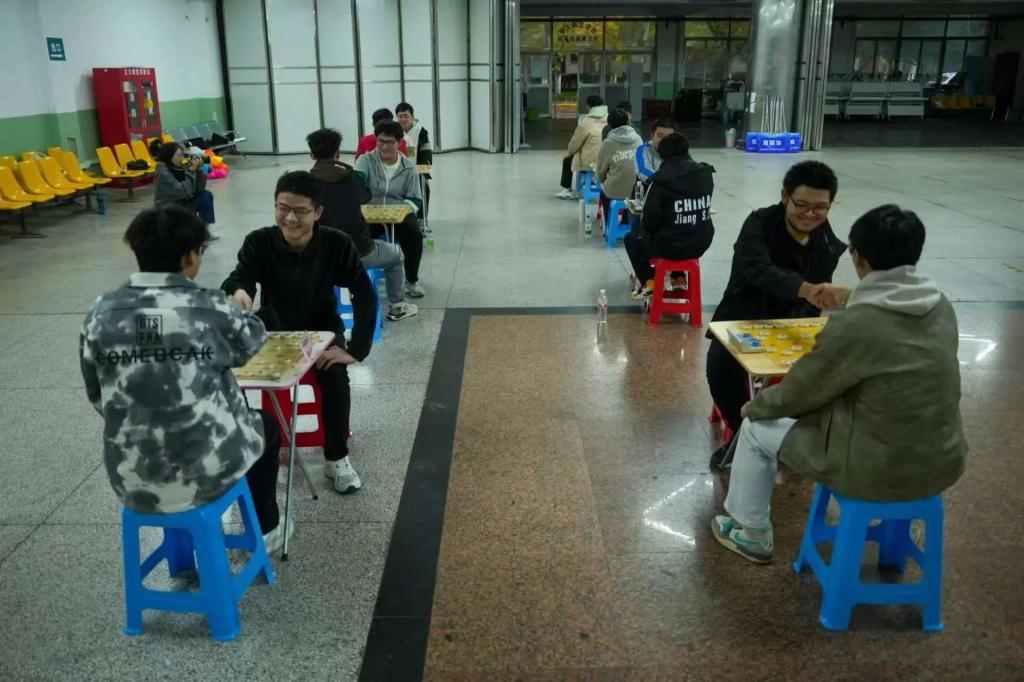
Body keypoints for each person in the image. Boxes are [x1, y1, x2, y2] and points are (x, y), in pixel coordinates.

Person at [710, 205, 966, 564]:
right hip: (941, 459)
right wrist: (850, 295)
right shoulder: (940, 305)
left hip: (872, 465)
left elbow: (801, 391)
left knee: (755, 427)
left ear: (858, 258)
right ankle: (896, 538)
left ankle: (750, 532)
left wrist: (755, 406)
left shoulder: (855, 324)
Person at [79, 206, 290, 552]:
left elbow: (98, 395)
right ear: (190, 255)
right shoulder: (208, 307)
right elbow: (252, 343)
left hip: (130, 478)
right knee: (265, 426)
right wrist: (240, 311)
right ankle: (267, 529)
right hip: (206, 473)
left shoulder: (100, 312)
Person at [222, 171, 377, 495]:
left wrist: (356, 349)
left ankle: (336, 457)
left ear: (318, 212)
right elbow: (240, 276)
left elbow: (363, 291)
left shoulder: (335, 243)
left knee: (334, 376)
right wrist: (240, 292)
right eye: (282, 208)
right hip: (273, 329)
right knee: (230, 373)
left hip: (322, 330)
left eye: (300, 211)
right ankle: (253, 448)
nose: (290, 218)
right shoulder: (259, 241)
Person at [706, 161, 849, 467]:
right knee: (721, 366)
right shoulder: (759, 223)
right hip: (743, 314)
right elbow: (758, 270)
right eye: (802, 205)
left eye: (820, 207)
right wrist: (805, 289)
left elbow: (819, 293)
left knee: (827, 371)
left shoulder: (826, 242)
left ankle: (790, 433)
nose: (810, 214)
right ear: (785, 196)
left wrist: (823, 301)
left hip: (795, 319)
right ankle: (742, 432)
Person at [307, 127, 418, 321]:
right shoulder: (351, 178)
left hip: (317, 254)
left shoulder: (302, 183)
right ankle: (397, 307)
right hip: (357, 251)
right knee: (396, 255)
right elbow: (365, 197)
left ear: (311, 155)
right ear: (337, 153)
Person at [623, 133, 715, 299]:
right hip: (701, 242)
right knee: (679, 228)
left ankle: (650, 281)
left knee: (632, 239)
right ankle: (677, 278)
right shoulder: (705, 174)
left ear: (662, 155)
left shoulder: (660, 181)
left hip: (669, 246)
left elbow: (649, 220)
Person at [354, 121, 426, 298]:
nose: (384, 146)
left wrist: (401, 212)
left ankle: (411, 280)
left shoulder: (408, 166)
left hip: (399, 213)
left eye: (389, 142)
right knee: (359, 236)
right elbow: (357, 184)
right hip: (369, 213)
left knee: (414, 235)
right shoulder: (365, 160)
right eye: (380, 141)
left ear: (399, 142)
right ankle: (359, 280)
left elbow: (416, 198)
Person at [153, 142, 220, 240]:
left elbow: (199, 189)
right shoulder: (162, 173)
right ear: (169, 156)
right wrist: (191, 171)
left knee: (206, 195)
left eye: (182, 155)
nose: (181, 158)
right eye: (178, 155)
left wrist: (199, 170)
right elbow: (181, 191)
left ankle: (205, 229)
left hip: (181, 202)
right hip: (168, 208)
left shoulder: (178, 167)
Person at [556, 95, 608, 200]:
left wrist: (569, 153)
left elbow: (575, 144)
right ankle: (593, 179)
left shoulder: (585, 122)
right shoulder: (609, 118)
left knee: (567, 159)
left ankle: (567, 189)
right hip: (607, 159)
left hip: (591, 162)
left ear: (588, 106)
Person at [596, 108, 642, 226]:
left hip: (615, 193)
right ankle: (626, 222)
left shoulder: (607, 143)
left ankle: (609, 225)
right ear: (628, 121)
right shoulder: (638, 138)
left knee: (604, 192)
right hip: (636, 192)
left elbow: (600, 175)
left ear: (609, 125)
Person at [395, 101, 433, 222]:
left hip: (416, 168)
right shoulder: (394, 131)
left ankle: (421, 218)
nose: (403, 119)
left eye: (406, 116)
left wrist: (424, 173)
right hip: (397, 168)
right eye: (400, 116)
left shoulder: (421, 131)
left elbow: (426, 153)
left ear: (412, 117)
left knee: (422, 186)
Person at [635, 118, 679, 184]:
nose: (664, 140)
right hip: (651, 187)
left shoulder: (679, 150)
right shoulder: (642, 150)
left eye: (669, 137)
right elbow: (642, 171)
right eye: (660, 136)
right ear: (652, 136)